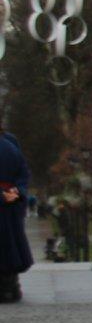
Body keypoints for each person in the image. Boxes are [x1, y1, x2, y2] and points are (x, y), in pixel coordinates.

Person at [0, 118, 31, 305]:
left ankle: (9, 286)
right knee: (9, 247)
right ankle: (10, 286)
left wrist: (14, 192)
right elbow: (24, 172)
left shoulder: (10, 142)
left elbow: (23, 171)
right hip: (9, 202)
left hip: (9, 204)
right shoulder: (10, 142)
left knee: (8, 247)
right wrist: (14, 192)